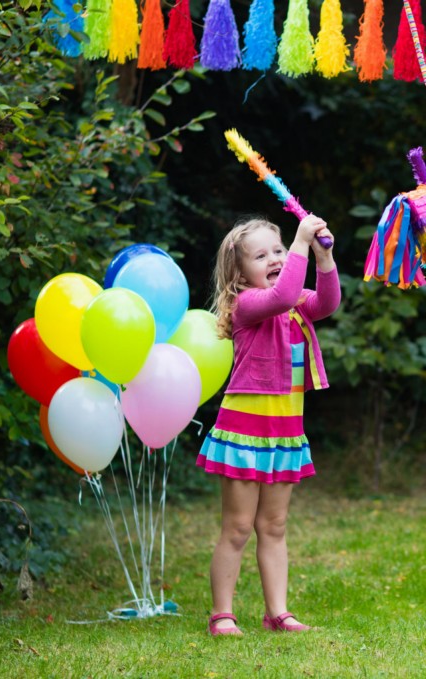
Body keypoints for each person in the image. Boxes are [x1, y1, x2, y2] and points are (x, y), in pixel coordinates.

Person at [196, 213, 341, 636]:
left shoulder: (293, 304)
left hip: (284, 434)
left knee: (274, 526)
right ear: (239, 273)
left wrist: (324, 258)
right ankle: (222, 614)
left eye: (278, 250)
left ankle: (278, 612)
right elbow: (283, 294)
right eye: (261, 256)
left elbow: (327, 303)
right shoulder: (247, 304)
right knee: (238, 527)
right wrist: (300, 243)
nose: (275, 258)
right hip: (244, 434)